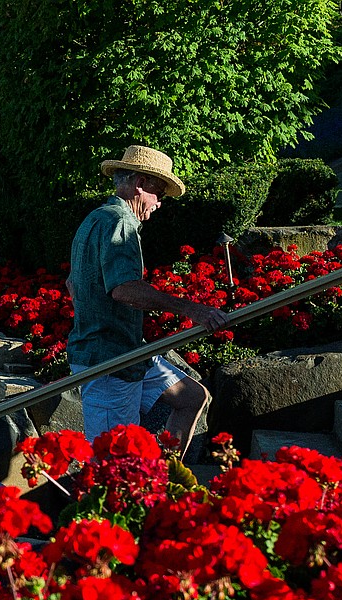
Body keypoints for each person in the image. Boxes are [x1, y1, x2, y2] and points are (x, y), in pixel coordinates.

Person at [67, 145, 228, 457]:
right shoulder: (120, 222)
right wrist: (190, 308)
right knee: (115, 461)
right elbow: (124, 290)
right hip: (109, 361)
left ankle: (166, 479)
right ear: (140, 183)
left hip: (127, 351)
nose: (159, 203)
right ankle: (138, 498)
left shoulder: (95, 219)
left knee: (192, 397)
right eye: (159, 193)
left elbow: (73, 283)